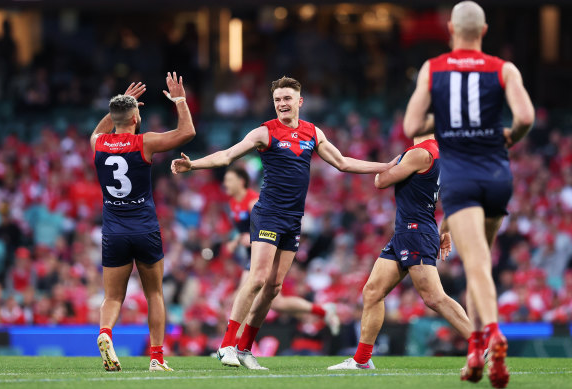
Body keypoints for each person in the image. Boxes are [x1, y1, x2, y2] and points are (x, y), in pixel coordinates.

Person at [171, 76, 396, 370]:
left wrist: (387, 166)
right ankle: (226, 345)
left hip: (293, 220)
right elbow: (227, 155)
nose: (282, 104)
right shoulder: (265, 132)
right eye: (278, 100)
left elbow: (342, 162)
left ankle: (245, 348)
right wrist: (194, 165)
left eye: (287, 99)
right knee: (258, 278)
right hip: (268, 214)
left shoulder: (312, 132)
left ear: (299, 101)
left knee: (274, 287)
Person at [403, 2, 534, 387]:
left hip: (460, 175)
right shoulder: (503, 68)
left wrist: (441, 119)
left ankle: (490, 336)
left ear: (450, 29)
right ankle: (475, 349)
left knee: (475, 264)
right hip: (496, 172)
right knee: (483, 262)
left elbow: (412, 123)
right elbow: (525, 117)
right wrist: (511, 136)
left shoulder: (434, 68)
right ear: (484, 30)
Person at [328, 134, 472, 370]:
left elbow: (380, 181)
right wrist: (444, 230)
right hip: (406, 232)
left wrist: (391, 162)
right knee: (372, 292)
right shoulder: (439, 152)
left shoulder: (419, 152)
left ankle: (481, 344)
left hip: (415, 231)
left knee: (434, 297)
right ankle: (362, 360)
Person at [92, 73, 196, 372]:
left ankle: (104, 333)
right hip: (144, 229)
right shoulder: (145, 142)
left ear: (114, 118)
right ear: (136, 118)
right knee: (154, 294)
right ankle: (157, 358)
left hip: (113, 231)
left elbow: (99, 131)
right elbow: (187, 132)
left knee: (112, 296)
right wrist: (179, 99)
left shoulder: (99, 144)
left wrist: (119, 108)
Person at [223, 166, 340, 338]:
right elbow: (245, 230)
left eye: (229, 180)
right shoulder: (233, 202)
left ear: (241, 182)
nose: (225, 184)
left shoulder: (252, 201)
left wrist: (249, 239)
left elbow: (266, 228)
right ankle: (323, 310)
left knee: (244, 295)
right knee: (277, 303)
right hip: (252, 254)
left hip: (265, 253)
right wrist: (236, 241)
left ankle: (233, 343)